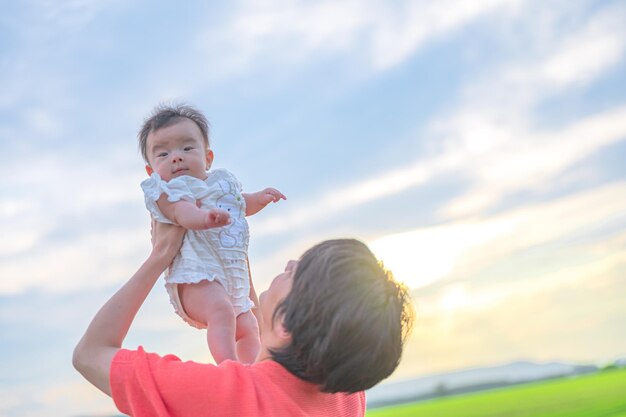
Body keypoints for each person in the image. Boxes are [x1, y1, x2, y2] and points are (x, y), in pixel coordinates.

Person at [73, 222, 414, 417]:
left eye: (299, 272)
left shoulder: (220, 396)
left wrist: (160, 256)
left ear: (286, 326)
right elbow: (264, 374)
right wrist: (232, 254)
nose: (291, 264)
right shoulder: (345, 398)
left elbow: (89, 354)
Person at [138, 103, 285, 364]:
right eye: (163, 154)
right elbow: (183, 214)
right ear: (151, 171)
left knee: (248, 325)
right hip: (196, 278)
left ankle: (251, 372)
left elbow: (238, 204)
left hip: (231, 276)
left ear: (208, 158)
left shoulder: (219, 184)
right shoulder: (167, 192)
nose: (176, 157)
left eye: (187, 148)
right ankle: (229, 367)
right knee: (221, 310)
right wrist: (205, 218)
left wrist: (259, 198)